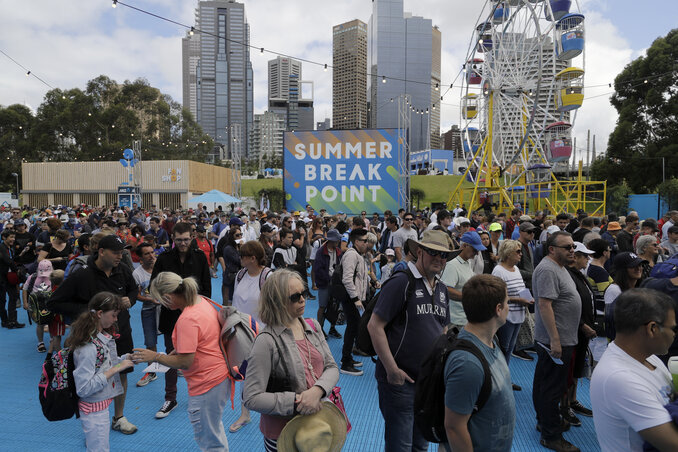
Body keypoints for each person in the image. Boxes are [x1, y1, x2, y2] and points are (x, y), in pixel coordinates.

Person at [368, 230, 452, 452]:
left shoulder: (442, 289)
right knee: (400, 446)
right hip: (400, 382)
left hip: (427, 383)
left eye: (444, 255)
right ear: (419, 251)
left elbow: (443, 330)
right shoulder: (402, 282)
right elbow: (374, 325)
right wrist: (392, 370)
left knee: (421, 445)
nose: (439, 259)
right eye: (433, 252)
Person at [49, 233, 139, 434]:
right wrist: (89, 312)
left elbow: (133, 290)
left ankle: (119, 417)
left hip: (121, 331)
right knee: (92, 377)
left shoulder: (123, 270)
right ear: (101, 252)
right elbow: (54, 302)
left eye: (121, 252)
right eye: (115, 253)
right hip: (92, 338)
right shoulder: (82, 275)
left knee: (121, 370)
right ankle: (94, 418)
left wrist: (129, 300)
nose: (119, 256)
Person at [243, 269, 339, 452]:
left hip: (318, 424)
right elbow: (251, 397)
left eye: (303, 293)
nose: (303, 299)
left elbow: (332, 366)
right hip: (284, 432)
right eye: (295, 297)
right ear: (277, 302)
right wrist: (298, 401)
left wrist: (317, 391)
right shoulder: (266, 341)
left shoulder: (312, 325)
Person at [133, 272, 230, 452]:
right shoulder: (201, 302)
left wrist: (155, 356)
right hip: (218, 378)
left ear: (168, 297)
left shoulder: (188, 319)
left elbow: (185, 362)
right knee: (214, 430)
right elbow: (204, 337)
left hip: (206, 384)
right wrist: (179, 350)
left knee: (210, 441)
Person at [591, 288, 678, 452]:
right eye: (673, 329)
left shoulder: (649, 358)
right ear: (652, 328)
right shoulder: (619, 378)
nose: (674, 335)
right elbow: (674, 444)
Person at [443, 274, 515, 452]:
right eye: (507, 302)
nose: (508, 307)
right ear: (498, 309)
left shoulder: (491, 340)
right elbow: (454, 428)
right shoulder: (467, 364)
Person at [150, 221, 211, 419]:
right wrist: (162, 299)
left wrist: (204, 312)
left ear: (191, 238)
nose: (183, 243)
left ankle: (201, 396)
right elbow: (154, 284)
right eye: (179, 240)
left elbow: (207, 288)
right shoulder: (164, 258)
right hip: (170, 315)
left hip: (195, 317)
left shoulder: (200, 258)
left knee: (200, 356)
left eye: (186, 239)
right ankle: (171, 397)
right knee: (170, 355)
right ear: (173, 240)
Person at [531, 231, 582, 452]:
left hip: (562, 337)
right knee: (552, 388)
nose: (572, 250)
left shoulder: (558, 267)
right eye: (567, 247)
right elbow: (544, 305)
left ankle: (546, 421)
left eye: (573, 246)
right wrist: (555, 340)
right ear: (552, 249)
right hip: (556, 340)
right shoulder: (547, 269)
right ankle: (551, 435)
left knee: (546, 384)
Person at [69, 292, 135, 452]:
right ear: (100, 314)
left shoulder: (99, 338)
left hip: (100, 407)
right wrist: (118, 368)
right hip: (94, 411)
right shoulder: (88, 347)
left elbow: (104, 365)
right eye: (113, 315)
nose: (115, 319)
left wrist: (127, 359)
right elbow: (84, 388)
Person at [562, 242, 597, 427]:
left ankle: (573, 401)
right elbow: (568, 306)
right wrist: (583, 325)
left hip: (581, 331)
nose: (588, 259)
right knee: (569, 369)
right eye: (585, 256)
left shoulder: (579, 275)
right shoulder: (568, 276)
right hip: (573, 331)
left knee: (577, 369)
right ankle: (565, 405)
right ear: (575, 257)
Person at [492, 239, 533, 390]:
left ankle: (505, 378)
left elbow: (520, 288)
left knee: (509, 349)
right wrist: (519, 300)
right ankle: (498, 380)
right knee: (503, 348)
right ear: (508, 253)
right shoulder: (498, 271)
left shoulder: (515, 269)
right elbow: (497, 295)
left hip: (518, 314)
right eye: (518, 251)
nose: (521, 254)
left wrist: (528, 299)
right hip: (506, 317)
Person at [338, 228, 370, 376]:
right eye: (364, 241)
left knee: (354, 327)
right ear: (356, 241)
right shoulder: (352, 255)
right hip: (352, 299)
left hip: (355, 298)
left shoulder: (358, 255)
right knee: (352, 328)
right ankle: (345, 362)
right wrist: (356, 298)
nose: (367, 243)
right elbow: (346, 279)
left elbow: (361, 277)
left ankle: (348, 358)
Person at [442, 231, 486, 329]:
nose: (477, 253)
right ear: (465, 246)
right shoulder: (452, 265)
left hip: (465, 318)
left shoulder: (467, 263)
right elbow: (446, 289)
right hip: (455, 321)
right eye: (475, 250)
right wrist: (470, 298)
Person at [132, 243, 159, 388]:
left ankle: (176, 366)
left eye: (152, 252)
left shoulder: (161, 267)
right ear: (141, 258)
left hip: (166, 309)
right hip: (148, 310)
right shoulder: (137, 274)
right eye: (147, 254)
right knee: (150, 341)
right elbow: (135, 295)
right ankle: (152, 371)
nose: (151, 255)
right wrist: (150, 299)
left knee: (172, 339)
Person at [604, 252, 644, 341]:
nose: (638, 268)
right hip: (620, 342)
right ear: (623, 269)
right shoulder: (614, 289)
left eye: (640, 265)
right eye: (633, 266)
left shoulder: (638, 288)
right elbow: (611, 321)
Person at [312, 228, 343, 339]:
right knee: (322, 306)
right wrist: (328, 280)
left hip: (336, 284)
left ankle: (332, 329)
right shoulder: (321, 252)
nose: (339, 240)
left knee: (335, 307)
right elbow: (318, 269)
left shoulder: (339, 251)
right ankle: (320, 329)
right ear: (331, 240)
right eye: (337, 239)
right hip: (324, 284)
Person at [23, 259, 54, 351]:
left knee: (51, 322)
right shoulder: (33, 277)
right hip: (36, 304)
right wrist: (25, 302)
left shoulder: (54, 277)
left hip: (50, 302)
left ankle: (53, 340)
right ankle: (40, 342)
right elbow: (25, 289)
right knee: (39, 323)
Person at [0, 229, 24, 329]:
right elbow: (7, 260)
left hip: (10, 276)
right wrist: (17, 270)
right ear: (4, 237)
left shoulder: (10, 247)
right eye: (11, 237)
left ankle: (13, 321)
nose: (13, 239)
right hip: (1, 276)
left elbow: (12, 259)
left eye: (14, 237)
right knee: (2, 300)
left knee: (13, 297)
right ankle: (5, 321)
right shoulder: (1, 247)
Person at [219, 226, 243, 304]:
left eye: (241, 234)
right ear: (232, 236)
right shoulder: (228, 248)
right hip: (231, 277)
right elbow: (240, 261)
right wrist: (242, 247)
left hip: (238, 275)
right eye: (237, 235)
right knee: (229, 300)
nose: (240, 236)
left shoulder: (237, 247)